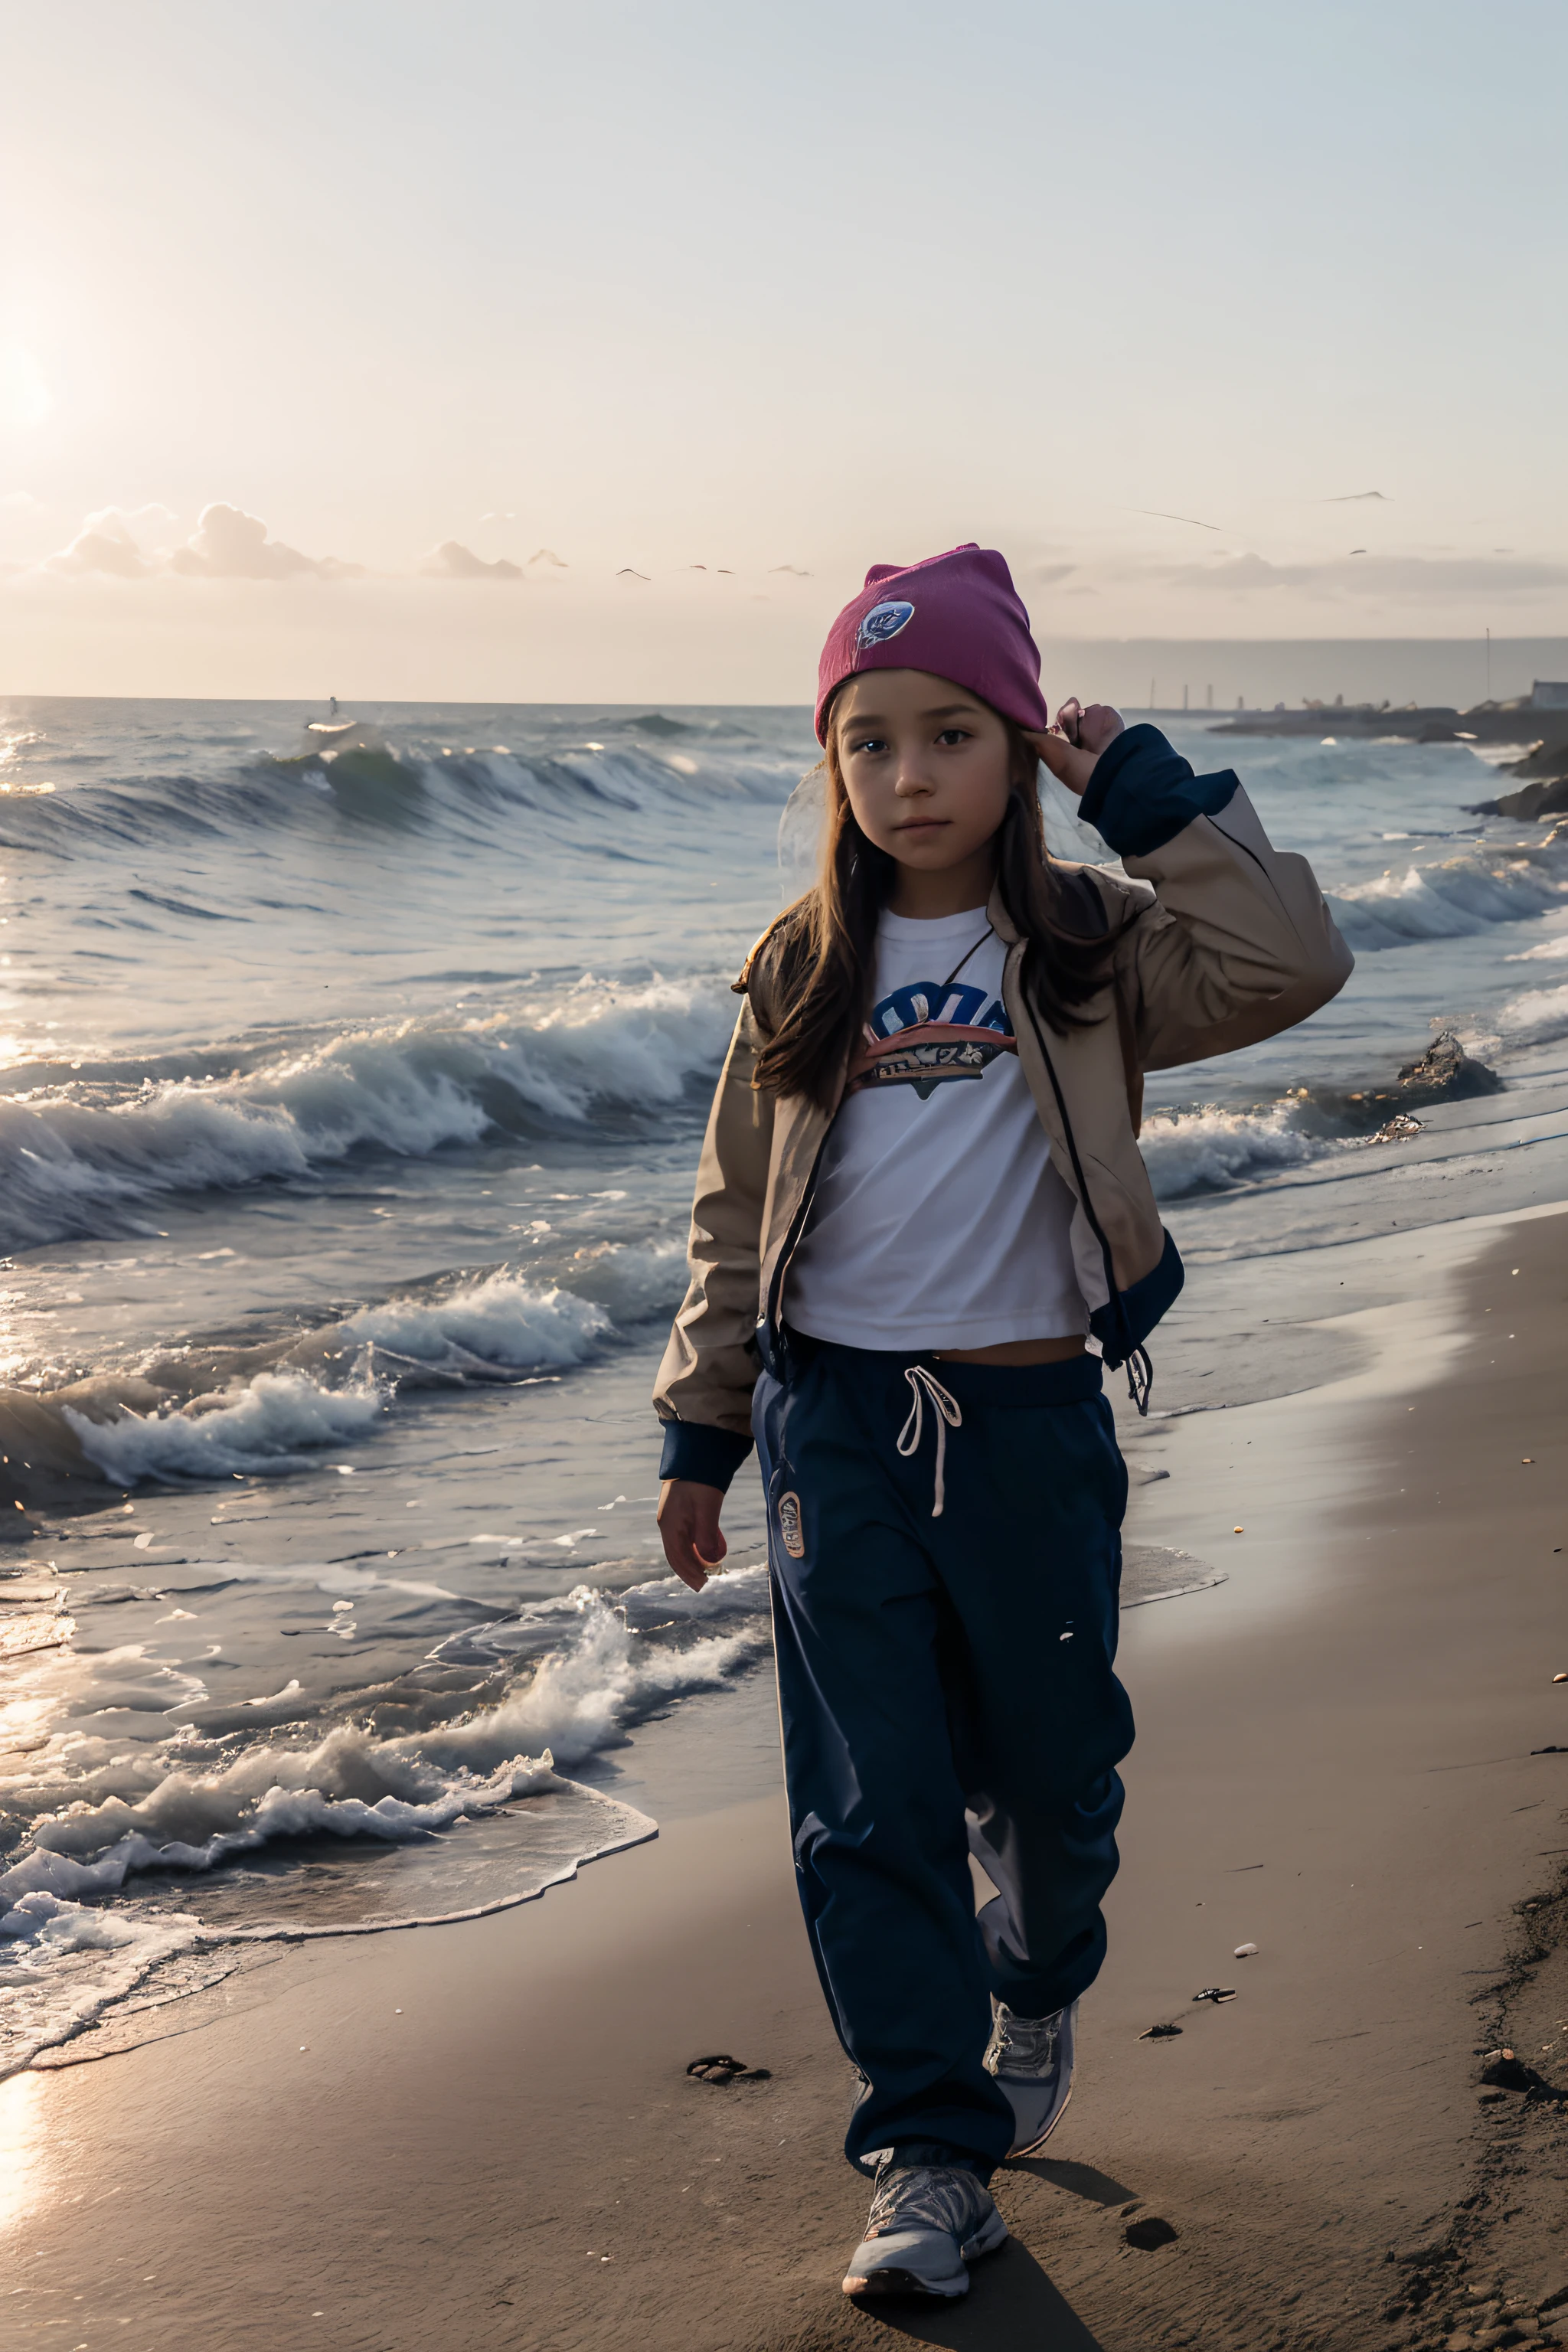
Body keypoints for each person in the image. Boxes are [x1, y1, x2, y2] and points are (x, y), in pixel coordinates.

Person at [653, 544, 1351, 2304]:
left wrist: (1142, 795)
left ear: (1015, 740)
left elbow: (1290, 960)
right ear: (831, 764)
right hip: (833, 1426)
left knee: (1049, 1783)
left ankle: (1034, 1975)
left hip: (1030, 1417)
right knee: (862, 1801)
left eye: (952, 732)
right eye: (866, 739)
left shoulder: (1090, 944)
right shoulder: (801, 966)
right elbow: (735, 1215)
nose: (906, 775)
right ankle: (929, 2152)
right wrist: (702, 1429)